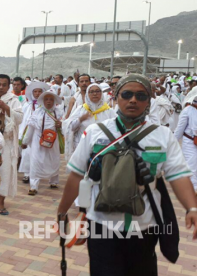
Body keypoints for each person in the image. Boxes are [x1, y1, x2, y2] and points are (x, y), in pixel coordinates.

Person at [58, 74, 197, 276]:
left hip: (145, 226)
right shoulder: (95, 132)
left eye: (141, 96)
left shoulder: (162, 135)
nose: (133, 100)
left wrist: (191, 206)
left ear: (149, 101)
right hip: (101, 224)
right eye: (127, 94)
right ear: (115, 97)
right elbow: (76, 175)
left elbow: (178, 175)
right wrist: (62, 212)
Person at [0, 74, 23, 215]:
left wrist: (6, 108)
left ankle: (1, 202)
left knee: (5, 171)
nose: (1, 87)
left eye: (4, 85)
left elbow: (19, 118)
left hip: (6, 142)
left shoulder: (14, 100)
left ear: (9, 87)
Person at [22, 89, 64, 193]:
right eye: (46, 99)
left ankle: (54, 181)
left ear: (54, 101)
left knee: (54, 160)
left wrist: (61, 125)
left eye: (51, 99)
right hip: (38, 141)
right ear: (43, 101)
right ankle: (33, 186)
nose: (48, 102)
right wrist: (25, 141)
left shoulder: (59, 113)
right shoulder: (37, 113)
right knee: (36, 162)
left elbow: (66, 128)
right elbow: (31, 128)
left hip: (53, 141)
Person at [63, 83, 116, 161]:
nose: (95, 94)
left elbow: (116, 128)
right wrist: (80, 120)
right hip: (83, 147)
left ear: (101, 93)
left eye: (98, 91)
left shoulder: (109, 111)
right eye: (91, 92)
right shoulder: (81, 109)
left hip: (103, 149)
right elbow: (69, 127)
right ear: (87, 94)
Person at [19, 82, 50, 183]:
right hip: (28, 132)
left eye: (39, 91)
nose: (37, 94)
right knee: (27, 153)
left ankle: (37, 173)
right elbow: (22, 120)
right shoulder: (27, 106)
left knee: (38, 154)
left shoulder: (46, 106)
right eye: (35, 91)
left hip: (40, 133)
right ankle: (27, 174)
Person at [174, 97, 197, 193]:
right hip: (190, 143)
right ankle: (193, 192)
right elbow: (179, 130)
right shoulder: (187, 111)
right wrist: (172, 144)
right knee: (192, 167)